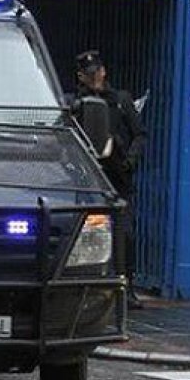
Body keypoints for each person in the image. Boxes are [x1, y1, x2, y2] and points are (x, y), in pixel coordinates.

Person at [74, 50, 147, 309]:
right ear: (81, 76)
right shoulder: (76, 104)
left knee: (125, 234)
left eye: (98, 72)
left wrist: (130, 160)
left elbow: (140, 134)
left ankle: (126, 287)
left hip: (119, 176)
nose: (95, 78)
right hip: (90, 177)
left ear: (104, 72)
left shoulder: (120, 100)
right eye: (89, 74)